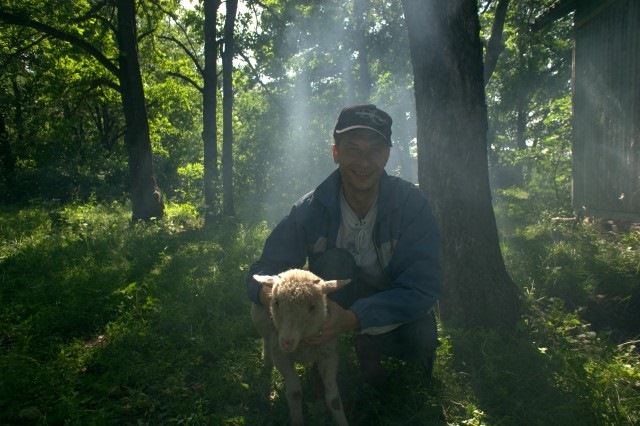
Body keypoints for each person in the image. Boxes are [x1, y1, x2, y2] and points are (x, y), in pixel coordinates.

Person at [246, 104, 441, 388]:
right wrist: (272, 296)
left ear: (387, 156)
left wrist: (354, 318)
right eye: (353, 149)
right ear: (335, 153)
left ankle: (367, 344)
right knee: (333, 263)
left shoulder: (412, 206)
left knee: (420, 338)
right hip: (335, 299)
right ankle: (321, 353)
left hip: (387, 299)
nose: (364, 162)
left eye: (375, 149)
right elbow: (260, 271)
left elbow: (424, 288)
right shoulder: (310, 209)